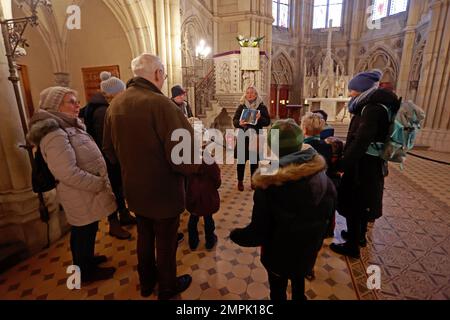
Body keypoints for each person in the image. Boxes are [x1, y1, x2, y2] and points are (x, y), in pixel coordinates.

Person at [103, 53, 200, 300]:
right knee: (165, 242)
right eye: (164, 73)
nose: (164, 77)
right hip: (164, 192)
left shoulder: (116, 104)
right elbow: (186, 160)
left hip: (134, 189)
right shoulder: (163, 105)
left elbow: (109, 152)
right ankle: (167, 287)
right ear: (157, 73)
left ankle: (146, 283)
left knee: (144, 236)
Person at [230, 119, 336, 301]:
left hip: (278, 253)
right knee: (298, 276)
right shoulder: (321, 175)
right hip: (308, 248)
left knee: (277, 290)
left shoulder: (268, 182)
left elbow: (259, 230)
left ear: (272, 146)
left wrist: (237, 236)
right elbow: (329, 215)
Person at [27, 87, 117, 283]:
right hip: (80, 192)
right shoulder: (55, 133)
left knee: (88, 229)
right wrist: (97, 183)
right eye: (71, 101)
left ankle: (88, 260)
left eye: (76, 101)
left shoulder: (68, 125)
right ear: (55, 105)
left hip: (85, 192)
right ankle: (85, 273)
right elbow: (66, 172)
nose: (78, 105)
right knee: (82, 232)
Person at [330, 70, 401, 259]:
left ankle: (352, 245)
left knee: (356, 202)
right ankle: (358, 236)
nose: (350, 94)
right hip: (369, 162)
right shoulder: (374, 104)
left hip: (363, 165)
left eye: (352, 90)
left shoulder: (372, 107)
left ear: (361, 89)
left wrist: (343, 164)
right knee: (362, 202)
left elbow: (361, 140)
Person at [82, 72, 136, 240]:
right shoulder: (102, 112)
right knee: (113, 192)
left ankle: (124, 215)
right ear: (115, 93)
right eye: (122, 92)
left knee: (117, 190)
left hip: (108, 159)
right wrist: (115, 160)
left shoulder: (102, 107)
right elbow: (106, 140)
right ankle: (114, 225)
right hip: (107, 160)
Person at [233, 86, 270, 191]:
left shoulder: (261, 107)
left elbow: (267, 121)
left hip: (255, 137)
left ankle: (253, 181)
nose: (249, 95)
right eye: (247, 93)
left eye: (252, 93)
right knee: (241, 161)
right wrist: (239, 123)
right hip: (243, 136)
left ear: (256, 95)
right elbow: (234, 120)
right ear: (245, 94)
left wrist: (260, 118)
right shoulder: (241, 106)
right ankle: (240, 181)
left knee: (254, 161)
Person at [186, 150, 221, 251]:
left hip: (193, 195)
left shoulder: (189, 161)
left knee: (193, 219)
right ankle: (210, 241)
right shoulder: (210, 162)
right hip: (208, 196)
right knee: (208, 218)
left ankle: (193, 242)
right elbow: (217, 179)